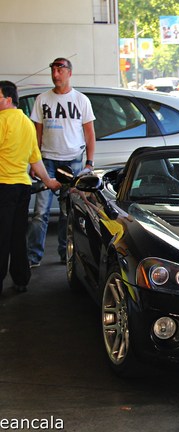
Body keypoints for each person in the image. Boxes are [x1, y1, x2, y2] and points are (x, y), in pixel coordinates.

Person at [27, 57, 96, 268]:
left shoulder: (81, 100)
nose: (56, 74)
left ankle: (64, 253)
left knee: (69, 211)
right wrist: (33, 162)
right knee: (40, 213)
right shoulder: (42, 99)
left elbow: (90, 134)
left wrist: (89, 163)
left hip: (73, 162)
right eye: (53, 70)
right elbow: (36, 135)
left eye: (60, 70)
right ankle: (33, 257)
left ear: (69, 73)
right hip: (47, 160)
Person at [0, 81, 61, 294]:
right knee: (17, 236)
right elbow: (35, 158)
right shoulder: (26, 122)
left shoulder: (1, 121)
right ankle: (21, 280)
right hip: (22, 188)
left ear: (8, 98)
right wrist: (49, 181)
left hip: (3, 187)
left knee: (2, 237)